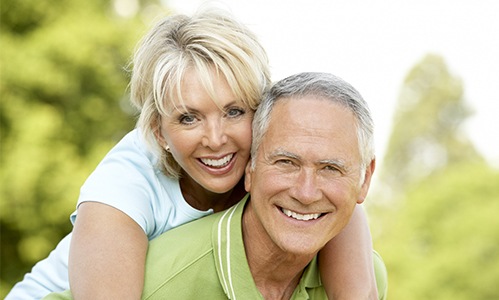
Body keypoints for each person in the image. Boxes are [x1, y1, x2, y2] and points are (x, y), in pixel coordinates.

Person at [6, 9, 378, 300]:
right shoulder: (123, 189)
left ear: (263, 112)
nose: (216, 139)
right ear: (158, 131)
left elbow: (335, 201)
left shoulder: (272, 164)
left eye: (234, 111)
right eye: (189, 117)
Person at [45, 71, 387, 300]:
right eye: (286, 162)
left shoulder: (361, 274)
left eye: (330, 169)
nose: (215, 139)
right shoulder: (126, 195)